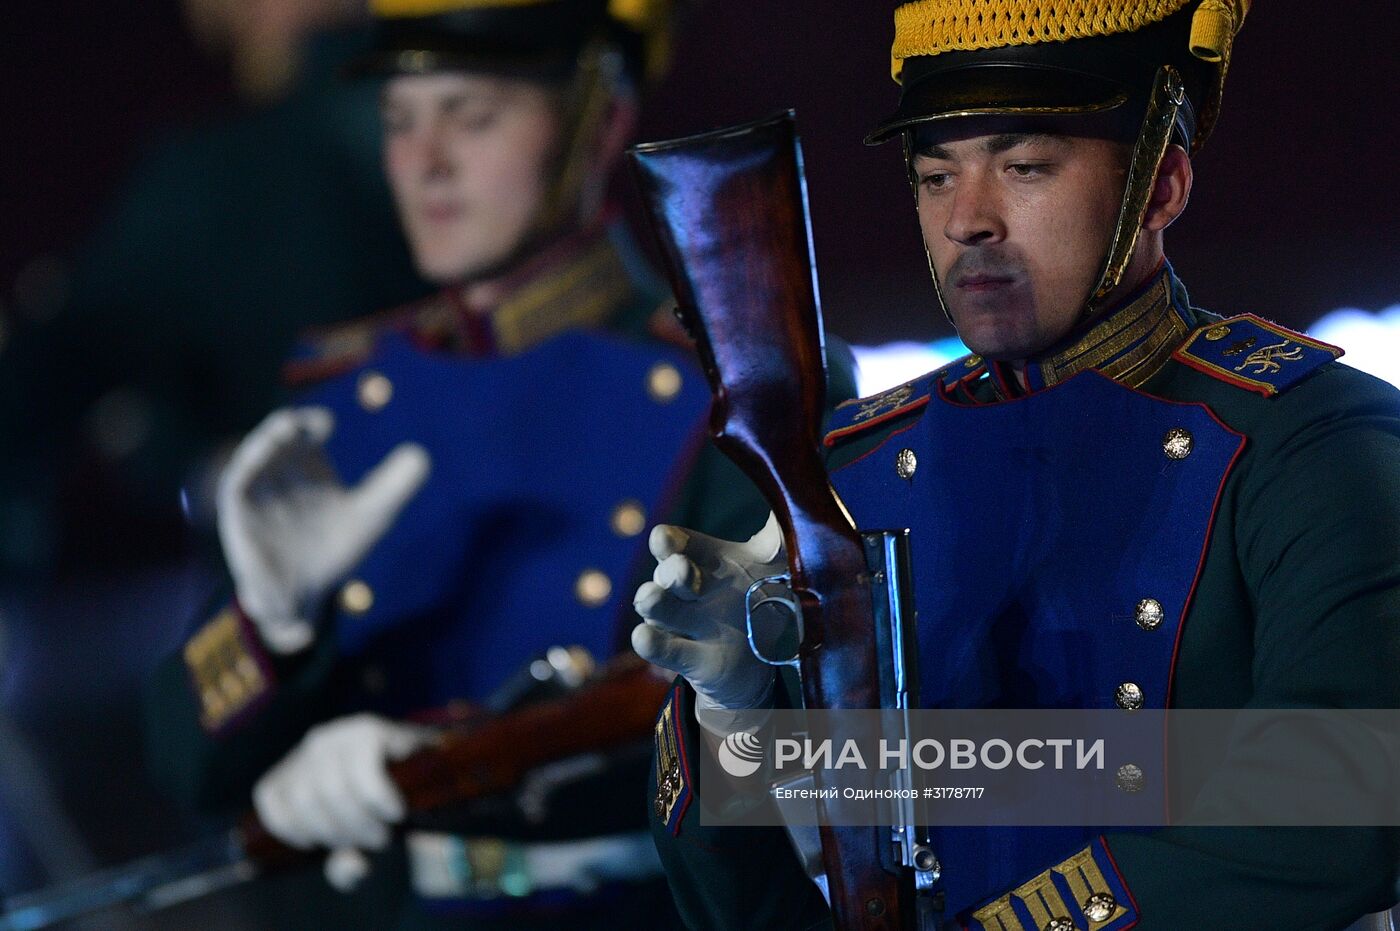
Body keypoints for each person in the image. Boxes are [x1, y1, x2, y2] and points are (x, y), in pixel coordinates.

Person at [632, 1, 1400, 929]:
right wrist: (734, 714)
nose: (968, 221)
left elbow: (1343, 797)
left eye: (1025, 167)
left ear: (1159, 186)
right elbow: (750, 911)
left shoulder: (1311, 440)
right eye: (932, 174)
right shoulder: (855, 466)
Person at [144, 0, 847, 926]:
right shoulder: (343, 391)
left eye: (471, 116)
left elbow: (799, 748)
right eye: (400, 119)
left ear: (601, 118)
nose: (426, 161)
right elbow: (186, 765)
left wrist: (447, 762)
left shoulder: (727, 381)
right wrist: (268, 625)